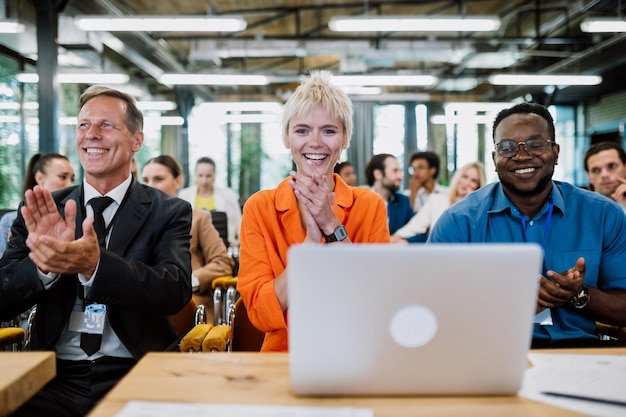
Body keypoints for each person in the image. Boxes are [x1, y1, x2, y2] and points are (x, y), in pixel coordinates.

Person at [0, 86, 192, 417]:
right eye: (84, 125)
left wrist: (96, 266)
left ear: (136, 141)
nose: (92, 135)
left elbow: (174, 289)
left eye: (106, 125)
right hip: (53, 374)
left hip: (136, 367)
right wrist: (44, 266)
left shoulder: (168, 211)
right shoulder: (44, 210)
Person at [428, 102, 626, 348]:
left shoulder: (603, 215)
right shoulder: (459, 222)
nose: (521, 156)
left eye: (536, 145)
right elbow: (432, 310)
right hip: (488, 352)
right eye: (507, 147)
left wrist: (578, 294)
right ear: (494, 157)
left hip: (578, 350)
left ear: (555, 152)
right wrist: (510, 306)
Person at [237, 71, 390, 352]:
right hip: (283, 357)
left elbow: (379, 300)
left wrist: (332, 226)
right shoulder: (259, 208)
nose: (315, 142)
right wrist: (309, 246)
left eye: (329, 131)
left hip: (357, 352)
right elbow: (259, 311)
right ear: (287, 138)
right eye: (302, 130)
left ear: (345, 140)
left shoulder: (370, 205)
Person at [142, 155, 234, 323]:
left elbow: (223, 262)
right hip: (144, 298)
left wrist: (190, 280)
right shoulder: (135, 221)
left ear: (178, 181)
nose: (150, 186)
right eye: (145, 180)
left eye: (158, 179)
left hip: (187, 299)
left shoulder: (197, 218)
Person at [0, 152, 75, 257]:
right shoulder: (10, 221)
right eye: (62, 177)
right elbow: (5, 269)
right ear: (40, 179)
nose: (70, 185)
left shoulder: (74, 217)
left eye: (72, 179)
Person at [391, 161, 486, 243]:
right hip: (437, 254)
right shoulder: (437, 200)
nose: (467, 183)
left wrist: (469, 201)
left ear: (478, 186)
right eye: (465, 177)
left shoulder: (479, 211)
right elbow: (415, 226)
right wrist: (391, 240)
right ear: (458, 177)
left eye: (473, 181)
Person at [178, 157, 242, 249]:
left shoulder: (228, 195)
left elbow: (238, 222)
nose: (204, 180)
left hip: (222, 245)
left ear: (214, 175)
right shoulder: (184, 195)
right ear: (195, 175)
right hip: (193, 247)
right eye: (200, 175)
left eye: (208, 176)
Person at [365, 153, 415, 237]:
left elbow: (419, 233)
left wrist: (401, 240)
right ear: (378, 174)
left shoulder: (404, 202)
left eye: (400, 171)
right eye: (395, 171)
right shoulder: (360, 201)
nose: (400, 177)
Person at [583, 141, 626, 212]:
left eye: (612, 166)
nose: (604, 175)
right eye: (596, 170)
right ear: (589, 176)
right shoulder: (579, 210)